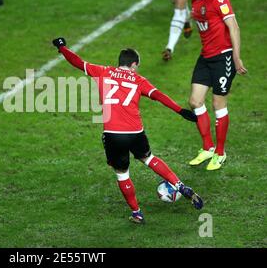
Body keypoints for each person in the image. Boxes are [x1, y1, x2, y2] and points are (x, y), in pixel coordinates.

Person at [52, 37, 204, 224]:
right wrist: (180, 110)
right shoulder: (139, 80)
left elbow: (77, 62)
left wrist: (62, 47)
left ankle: (137, 213)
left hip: (113, 134)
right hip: (135, 132)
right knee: (149, 158)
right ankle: (180, 186)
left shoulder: (103, 71)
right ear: (133, 64)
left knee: (122, 173)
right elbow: (158, 96)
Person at [186, 0, 247, 170]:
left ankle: (220, 153)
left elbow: (234, 28)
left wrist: (236, 58)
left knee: (218, 104)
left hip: (224, 57)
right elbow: (199, 19)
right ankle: (207, 148)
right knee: (195, 101)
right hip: (205, 57)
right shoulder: (194, 1)